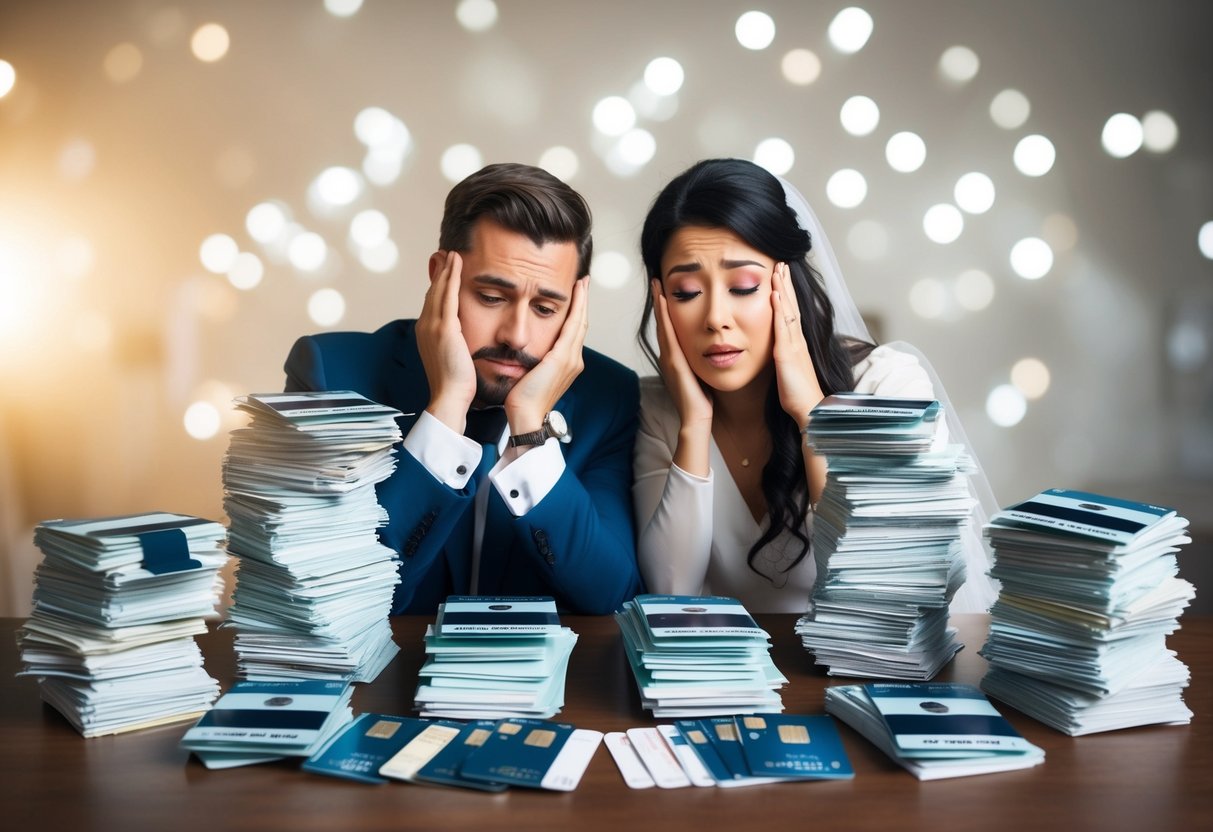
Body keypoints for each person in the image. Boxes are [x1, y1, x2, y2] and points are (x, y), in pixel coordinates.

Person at [633, 158, 997, 613]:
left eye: (743, 286)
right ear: (661, 302)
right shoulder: (659, 409)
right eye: (687, 292)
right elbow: (671, 594)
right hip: (735, 682)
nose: (715, 318)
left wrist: (813, 416)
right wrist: (695, 423)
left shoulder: (889, 384)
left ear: (788, 284)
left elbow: (881, 593)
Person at [285, 163, 642, 615]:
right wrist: (448, 407)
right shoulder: (329, 376)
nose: (517, 335)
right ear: (440, 276)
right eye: (492, 298)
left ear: (576, 308)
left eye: (547, 307)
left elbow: (610, 595)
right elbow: (337, 597)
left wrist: (531, 431)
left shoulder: (609, 398)